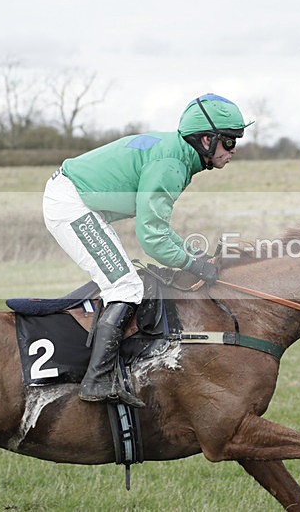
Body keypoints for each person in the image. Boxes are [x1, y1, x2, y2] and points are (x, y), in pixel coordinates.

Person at [43, 93, 252, 408]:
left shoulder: (177, 155)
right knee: (125, 286)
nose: (234, 151)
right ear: (207, 140)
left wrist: (194, 258)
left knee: (126, 282)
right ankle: (97, 381)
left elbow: (159, 230)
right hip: (71, 204)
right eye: (230, 142)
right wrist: (195, 265)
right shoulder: (171, 165)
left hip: (76, 200)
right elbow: (152, 238)